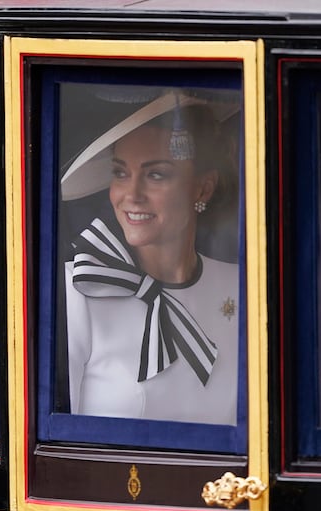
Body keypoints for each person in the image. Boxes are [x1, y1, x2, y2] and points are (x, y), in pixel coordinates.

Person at [61, 89, 240, 426]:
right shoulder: (78, 292)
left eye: (156, 174)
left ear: (202, 188)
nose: (132, 195)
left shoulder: (240, 290)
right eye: (120, 173)